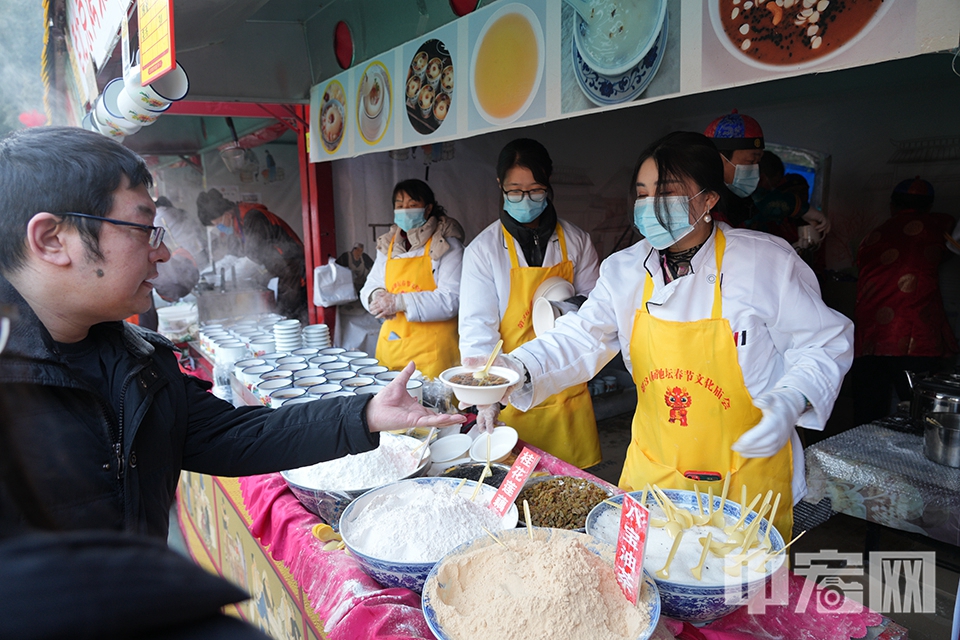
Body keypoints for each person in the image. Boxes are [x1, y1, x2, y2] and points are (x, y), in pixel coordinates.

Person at [0, 126, 464, 539]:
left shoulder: (137, 365)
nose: (161, 254)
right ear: (51, 240)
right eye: (144, 230)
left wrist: (363, 413)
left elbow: (234, 434)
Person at [480, 132, 853, 537]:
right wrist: (517, 367)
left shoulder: (764, 262)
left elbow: (823, 342)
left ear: (709, 200)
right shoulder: (624, 270)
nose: (650, 206)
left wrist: (792, 398)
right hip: (655, 473)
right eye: (642, 194)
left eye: (667, 193)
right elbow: (583, 335)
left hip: (747, 479)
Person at [459, 138, 602, 469]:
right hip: (512, 397)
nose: (526, 199)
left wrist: (564, 310)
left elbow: (598, 309)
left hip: (569, 393)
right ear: (500, 186)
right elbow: (477, 327)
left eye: (536, 190)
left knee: (577, 493)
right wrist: (486, 398)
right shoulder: (484, 250)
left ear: (548, 187)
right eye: (515, 191)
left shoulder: (576, 240)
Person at [852, 177, 958, 424]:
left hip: (869, 338)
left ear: (892, 206)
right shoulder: (936, 228)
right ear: (929, 206)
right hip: (913, 338)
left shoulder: (873, 235)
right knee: (924, 415)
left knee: (868, 414)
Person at [360, 179, 464, 378]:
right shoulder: (389, 245)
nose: (405, 210)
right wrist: (377, 297)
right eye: (399, 206)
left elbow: (452, 298)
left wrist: (400, 302)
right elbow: (370, 286)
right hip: (393, 348)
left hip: (434, 354)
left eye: (412, 205)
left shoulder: (446, 244)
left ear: (428, 209)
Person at [196, 188, 308, 322]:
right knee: (280, 317)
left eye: (218, 223)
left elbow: (252, 261)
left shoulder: (254, 218)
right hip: (279, 275)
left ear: (227, 214)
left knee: (291, 319)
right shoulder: (235, 225)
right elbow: (232, 257)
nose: (219, 228)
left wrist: (222, 280)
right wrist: (206, 276)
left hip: (294, 271)